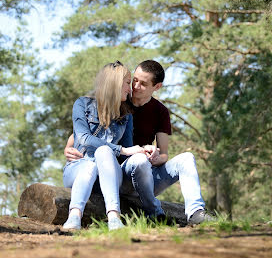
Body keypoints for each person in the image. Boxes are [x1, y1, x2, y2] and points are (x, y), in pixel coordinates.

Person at [65, 60, 213, 225]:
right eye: (134, 80)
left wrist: (155, 154)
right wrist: (69, 146)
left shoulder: (160, 111)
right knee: (134, 159)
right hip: (115, 170)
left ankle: (195, 212)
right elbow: (88, 131)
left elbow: (163, 153)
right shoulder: (119, 99)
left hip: (141, 172)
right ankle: (154, 213)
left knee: (186, 158)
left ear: (156, 87)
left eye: (143, 83)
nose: (135, 86)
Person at [62, 60, 146, 231]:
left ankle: (114, 218)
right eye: (127, 83)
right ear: (115, 83)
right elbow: (83, 137)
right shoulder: (82, 104)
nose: (130, 89)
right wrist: (121, 149)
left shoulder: (126, 116)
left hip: (108, 176)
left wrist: (143, 151)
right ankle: (74, 217)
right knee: (90, 165)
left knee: (104, 151)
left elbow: (125, 154)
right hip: (78, 168)